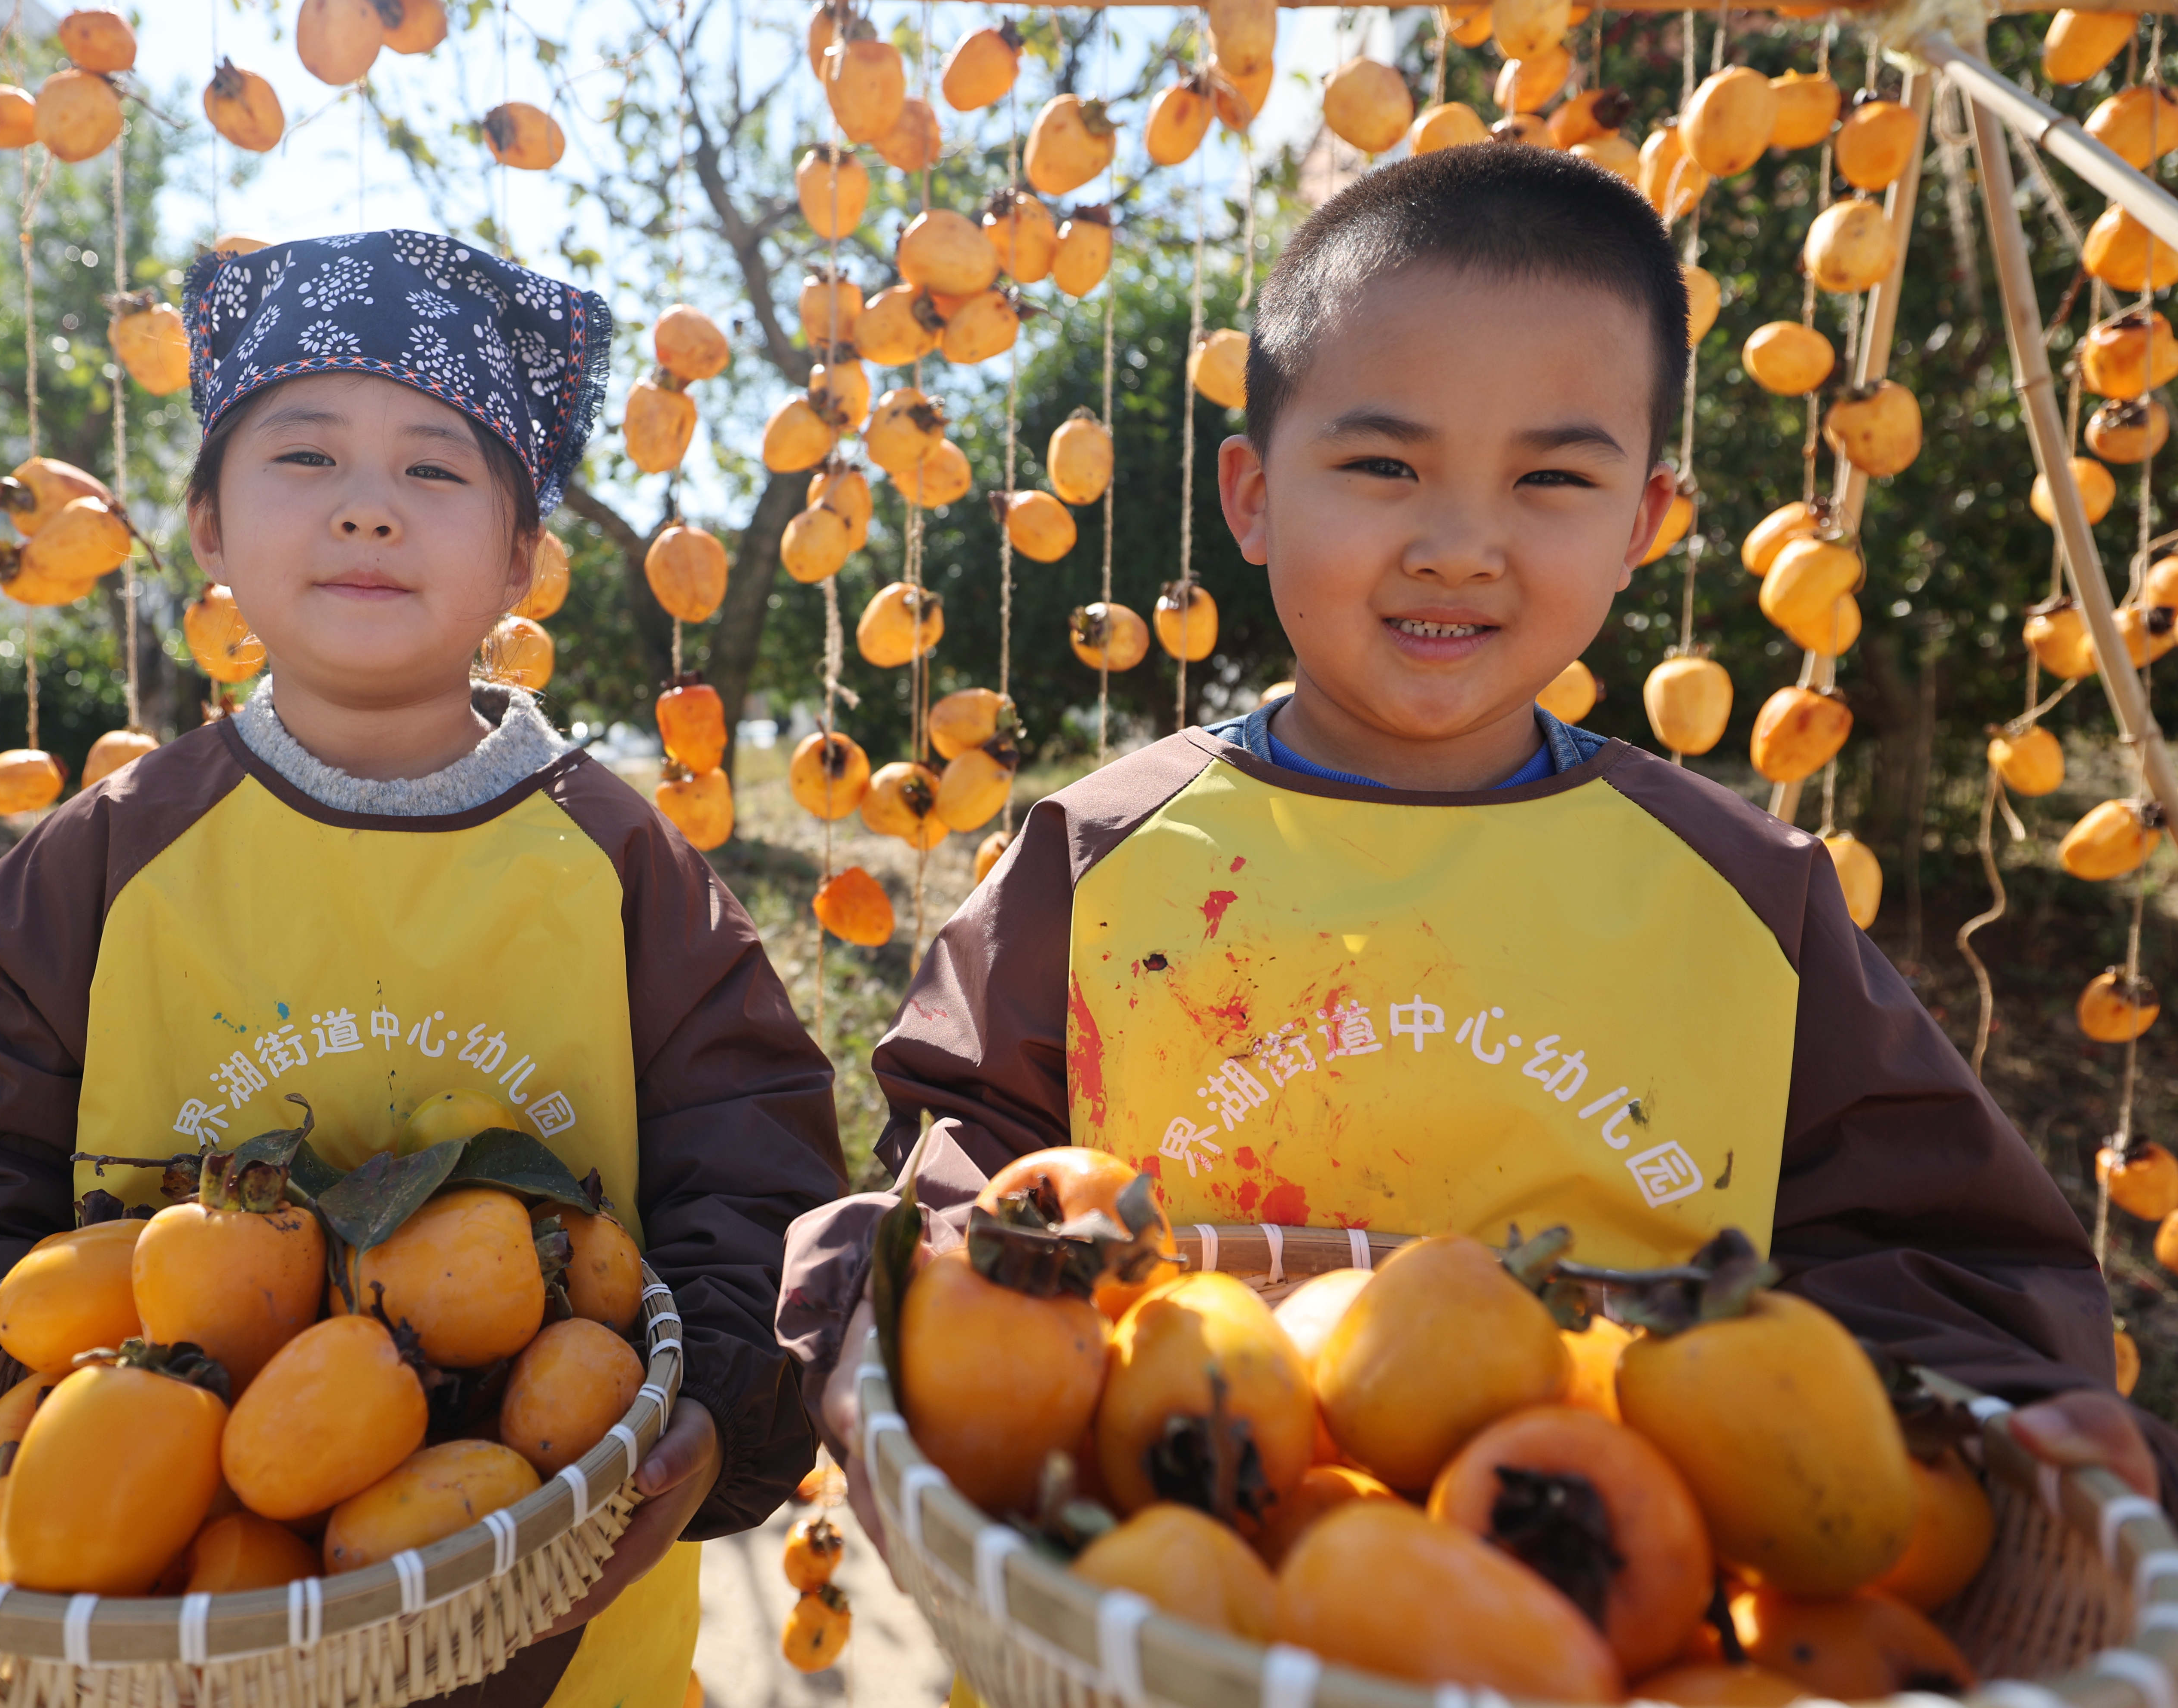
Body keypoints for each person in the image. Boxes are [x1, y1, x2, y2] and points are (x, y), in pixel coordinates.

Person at [779, 145, 2167, 1546]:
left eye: (1552, 478)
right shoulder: (1100, 852)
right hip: (1150, 1586)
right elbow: (956, 1168)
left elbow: (1933, 1249)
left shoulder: (1746, 896)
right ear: (1253, 496)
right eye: (1385, 462)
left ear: (1643, 523)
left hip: (1627, 1597)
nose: (1459, 544)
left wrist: (2008, 1404)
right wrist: (886, 1307)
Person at [0, 231, 846, 1707]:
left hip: (564, 1605)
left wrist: (718, 1395)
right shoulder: (104, 861)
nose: (370, 510)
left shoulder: (619, 858)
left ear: (522, 560)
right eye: (304, 457)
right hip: (161, 1594)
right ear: (205, 529)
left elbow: (746, 1143)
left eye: (437, 471)